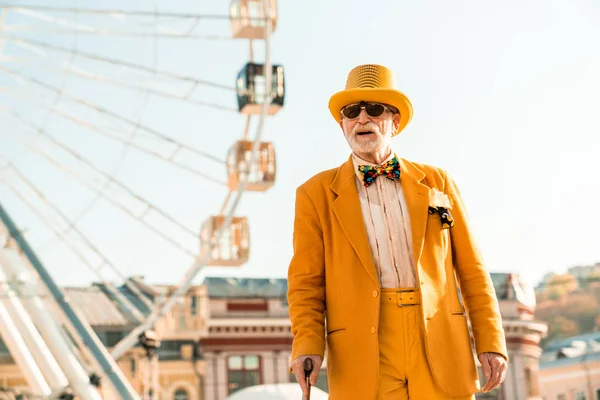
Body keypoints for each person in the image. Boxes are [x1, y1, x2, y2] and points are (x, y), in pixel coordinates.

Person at [287, 64, 508, 399]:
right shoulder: (314, 193)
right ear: (343, 124)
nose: (362, 119)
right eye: (351, 112)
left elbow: (472, 270)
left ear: (395, 121)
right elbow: (306, 282)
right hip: (362, 347)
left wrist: (491, 340)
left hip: (438, 336)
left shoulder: (438, 182)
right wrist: (306, 344)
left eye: (374, 109)